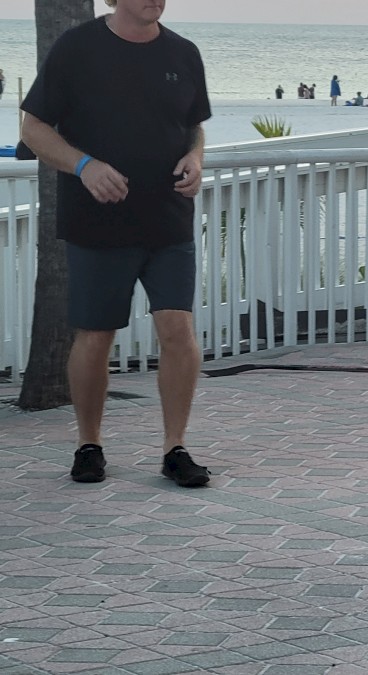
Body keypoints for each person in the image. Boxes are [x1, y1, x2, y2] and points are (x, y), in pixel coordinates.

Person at [19, 0, 213, 488]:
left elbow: (194, 125)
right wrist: (85, 166)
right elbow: (33, 129)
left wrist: (196, 156)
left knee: (178, 330)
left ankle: (175, 448)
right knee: (96, 335)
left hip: (168, 219)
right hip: (98, 223)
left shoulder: (184, 53)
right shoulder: (77, 48)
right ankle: (90, 444)